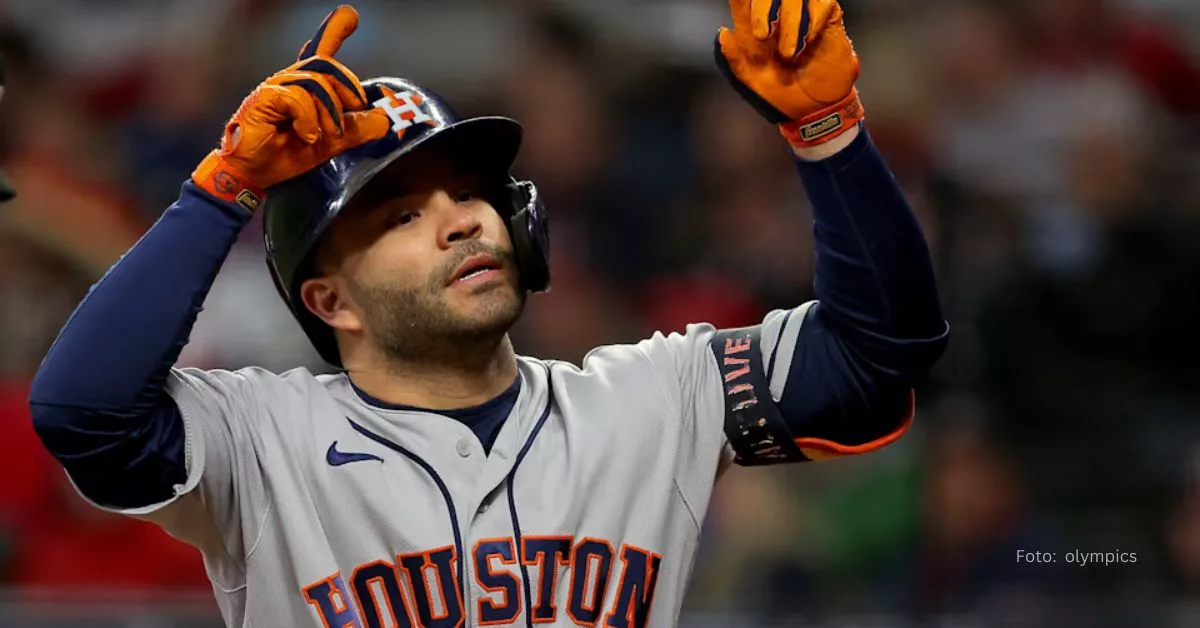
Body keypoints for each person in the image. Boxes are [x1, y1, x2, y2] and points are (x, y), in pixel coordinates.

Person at [28, 2, 948, 626]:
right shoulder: (262, 438)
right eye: (401, 215)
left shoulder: (651, 397)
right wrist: (220, 191)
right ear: (329, 299)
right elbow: (82, 411)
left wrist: (829, 133)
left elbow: (879, 353)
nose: (461, 218)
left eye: (468, 191)